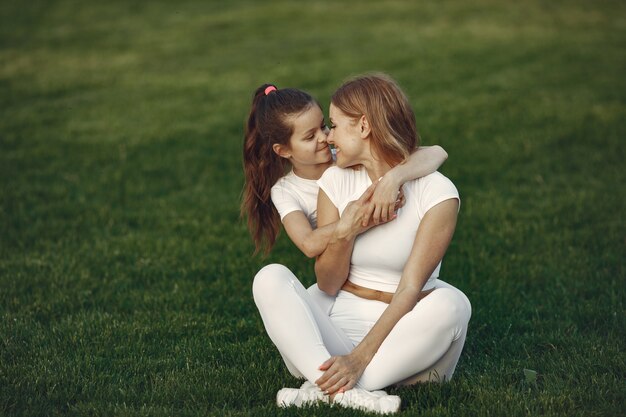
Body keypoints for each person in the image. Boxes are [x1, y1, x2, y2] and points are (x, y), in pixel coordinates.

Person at [252, 74, 471, 413]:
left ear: (365, 127)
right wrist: (348, 229)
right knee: (269, 278)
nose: (329, 138)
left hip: (406, 332)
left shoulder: (437, 191)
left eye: (333, 125)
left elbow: (411, 288)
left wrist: (358, 358)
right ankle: (348, 393)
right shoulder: (335, 180)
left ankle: (323, 386)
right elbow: (327, 281)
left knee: (454, 305)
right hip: (341, 319)